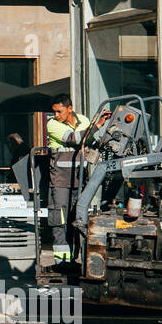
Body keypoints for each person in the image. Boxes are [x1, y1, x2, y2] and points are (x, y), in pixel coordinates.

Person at [46, 95, 110, 268]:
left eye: (59, 111)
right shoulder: (52, 124)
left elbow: (89, 141)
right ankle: (61, 262)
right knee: (59, 221)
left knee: (78, 220)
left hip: (80, 179)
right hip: (60, 180)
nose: (56, 114)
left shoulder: (83, 120)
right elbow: (74, 139)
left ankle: (76, 258)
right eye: (54, 111)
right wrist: (96, 126)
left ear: (69, 108)